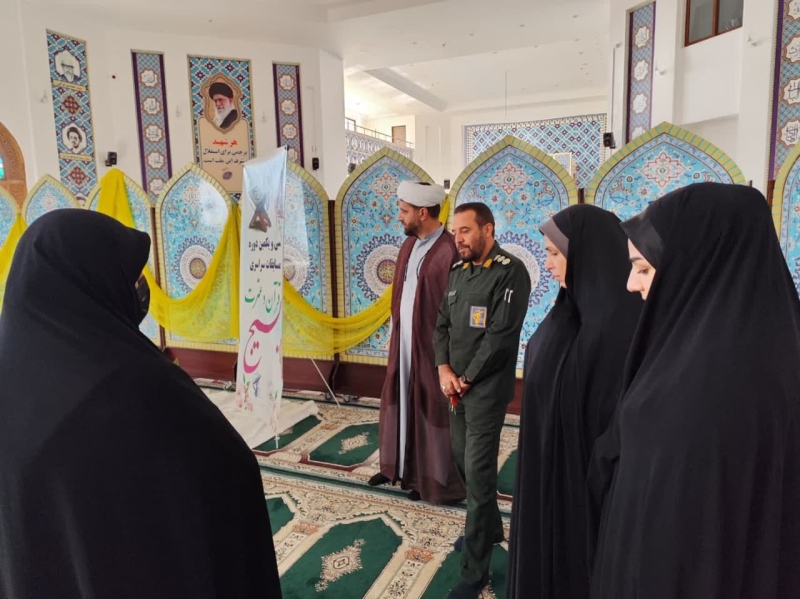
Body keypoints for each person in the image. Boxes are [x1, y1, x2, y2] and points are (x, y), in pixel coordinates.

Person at [0, 210, 283, 598]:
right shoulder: (138, 387)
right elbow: (231, 473)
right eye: (132, 278)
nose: (140, 289)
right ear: (93, 282)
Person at [589, 182, 800, 598]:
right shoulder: (759, 347)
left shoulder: (705, 385)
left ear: (694, 264)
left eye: (643, 268)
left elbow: (682, 543)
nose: (630, 284)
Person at [506, 205, 642, 599]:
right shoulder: (566, 313)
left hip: (583, 488)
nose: (548, 265)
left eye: (554, 253)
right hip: (544, 469)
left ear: (584, 253)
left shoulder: (620, 329)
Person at [433, 202, 531, 599]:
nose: (457, 238)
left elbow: (499, 338)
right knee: (463, 462)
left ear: (488, 230)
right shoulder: (459, 272)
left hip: (484, 392)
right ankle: (490, 529)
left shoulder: (510, 272)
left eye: (465, 230)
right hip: (455, 388)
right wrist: (444, 370)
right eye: (454, 231)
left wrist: (466, 378)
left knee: (478, 475)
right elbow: (441, 325)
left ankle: (474, 572)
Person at [370, 181, 465, 504]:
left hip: (432, 350)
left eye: (404, 211)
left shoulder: (449, 250)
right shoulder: (409, 246)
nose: (399, 216)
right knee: (401, 402)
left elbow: (454, 308)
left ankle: (431, 481)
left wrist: (447, 358)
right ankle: (396, 468)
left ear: (423, 213)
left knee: (431, 411)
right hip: (404, 344)